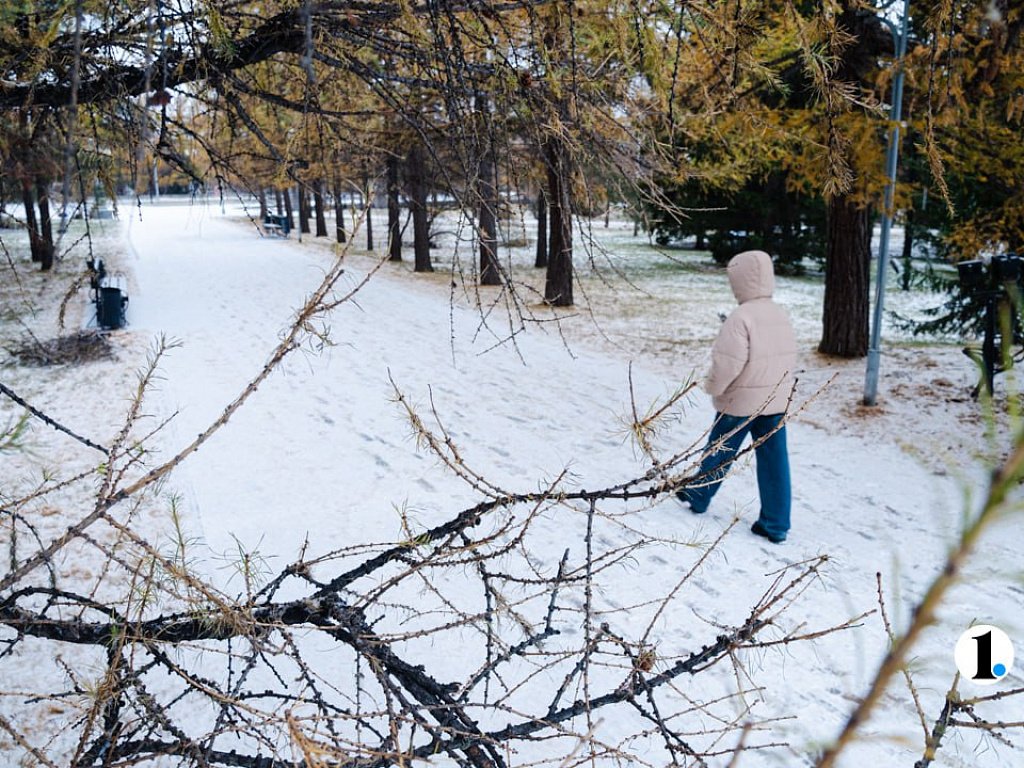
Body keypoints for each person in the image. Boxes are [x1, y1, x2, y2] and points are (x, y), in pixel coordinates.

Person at [676, 249, 797, 543]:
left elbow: (728, 362)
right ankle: (776, 522)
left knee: (720, 449)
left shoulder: (741, 317)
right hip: (774, 401)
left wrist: (714, 387)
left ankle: (699, 495)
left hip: (741, 400)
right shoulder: (780, 314)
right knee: (774, 459)